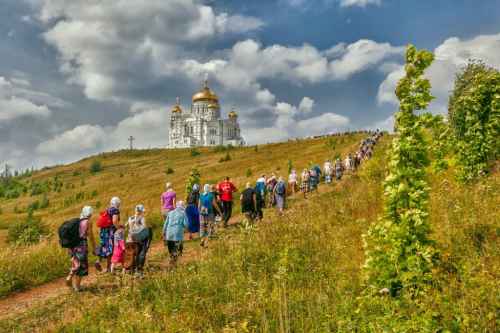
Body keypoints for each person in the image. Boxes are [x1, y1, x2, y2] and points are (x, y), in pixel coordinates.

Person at [66, 206, 96, 292]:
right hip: (81, 245)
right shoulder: (88, 222)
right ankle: (77, 287)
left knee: (75, 262)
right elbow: (91, 236)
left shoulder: (77, 221)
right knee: (81, 266)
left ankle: (70, 275)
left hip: (73, 245)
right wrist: (94, 247)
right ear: (90, 213)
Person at [95, 197, 121, 273]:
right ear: (118, 203)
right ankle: (109, 268)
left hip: (103, 231)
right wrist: (119, 228)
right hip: (110, 232)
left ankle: (98, 261)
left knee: (103, 246)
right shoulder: (115, 210)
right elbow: (114, 221)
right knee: (111, 249)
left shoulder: (108, 209)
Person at [125, 204, 151, 277]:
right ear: (140, 211)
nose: (143, 212)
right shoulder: (142, 218)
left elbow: (125, 226)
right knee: (139, 254)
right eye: (142, 211)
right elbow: (144, 227)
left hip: (130, 238)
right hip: (138, 239)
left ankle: (130, 269)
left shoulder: (130, 218)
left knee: (131, 254)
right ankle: (138, 270)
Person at [163, 201, 188, 267]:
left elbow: (165, 224)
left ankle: (172, 263)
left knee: (171, 251)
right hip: (177, 235)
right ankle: (173, 265)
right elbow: (186, 224)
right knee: (176, 250)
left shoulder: (170, 213)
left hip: (169, 235)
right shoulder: (183, 213)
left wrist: (163, 233)